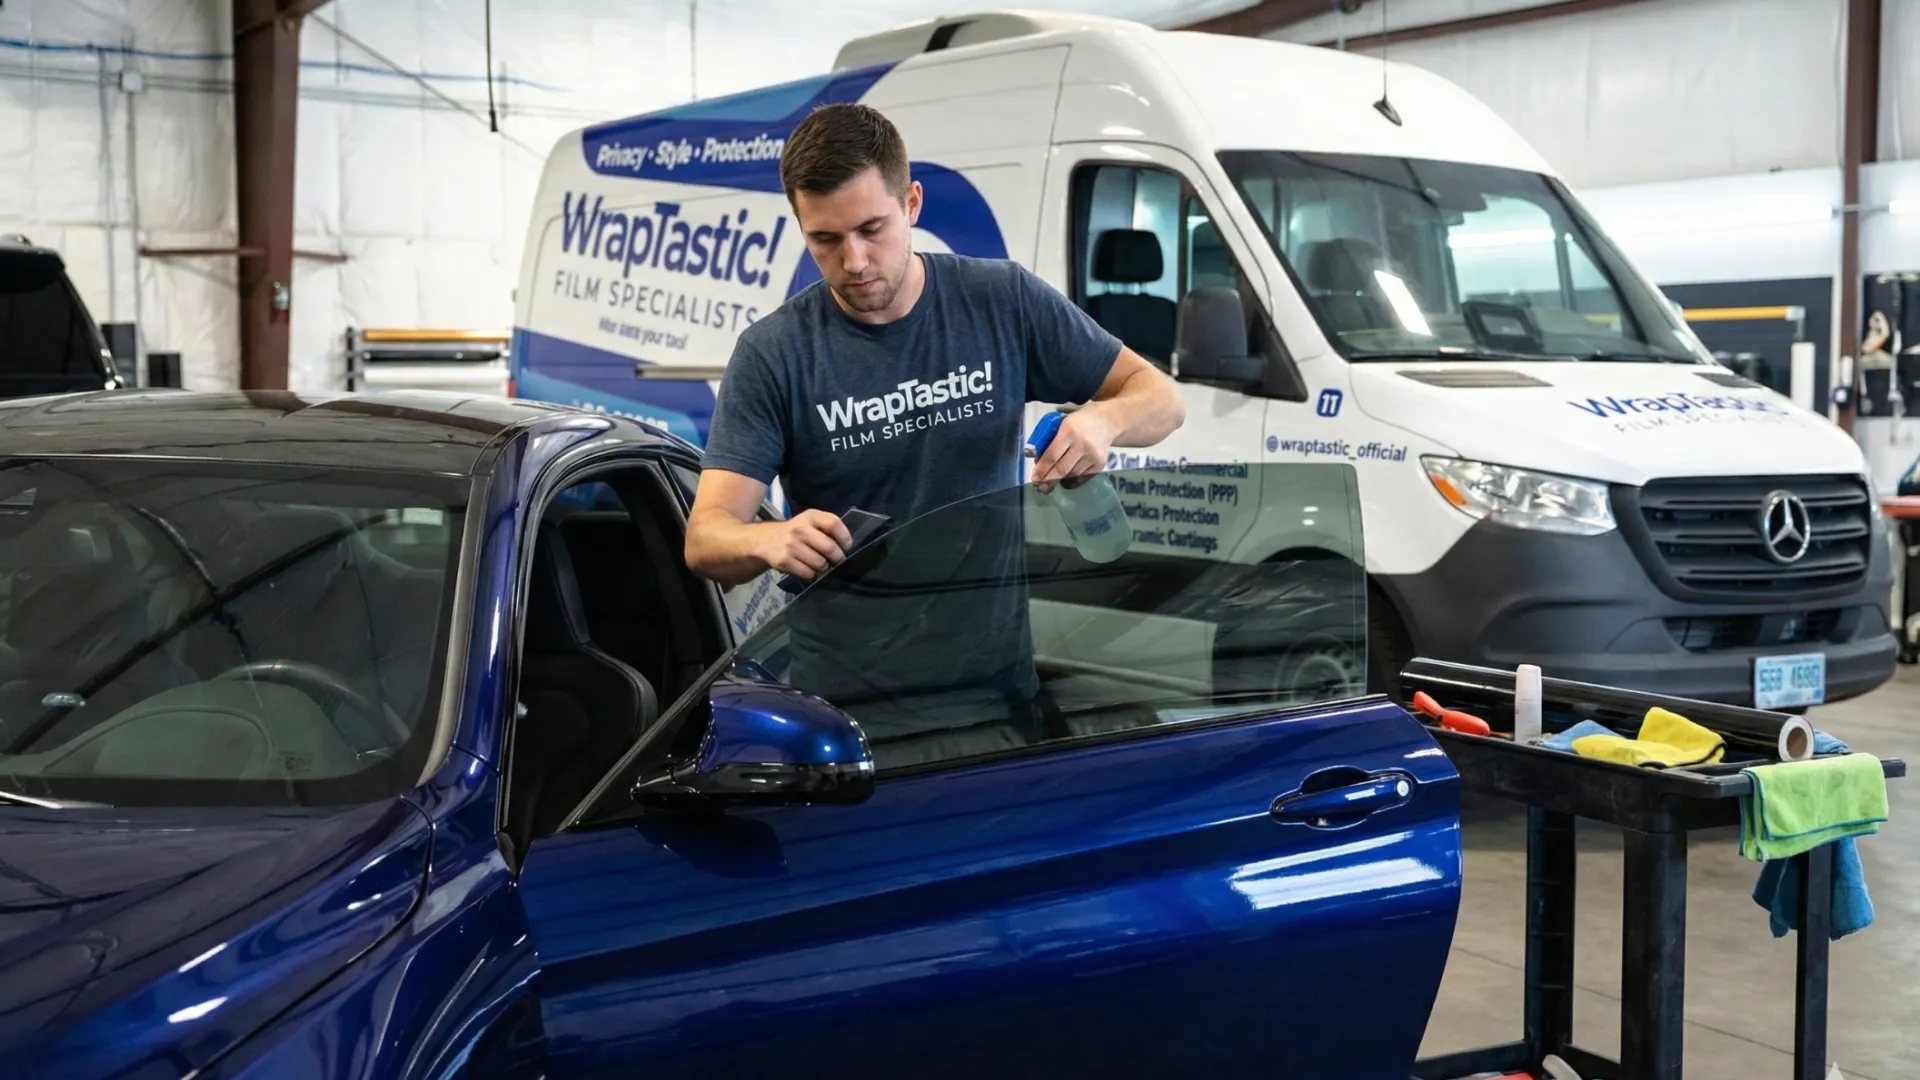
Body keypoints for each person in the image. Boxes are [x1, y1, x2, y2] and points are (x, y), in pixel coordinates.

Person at [683, 101, 1185, 588]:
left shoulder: (1002, 300)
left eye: (870, 229)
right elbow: (706, 539)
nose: (854, 260)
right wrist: (768, 539)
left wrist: (1103, 420)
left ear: (912, 203)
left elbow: (1163, 400)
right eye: (826, 239)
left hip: (993, 661)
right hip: (839, 668)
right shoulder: (773, 353)